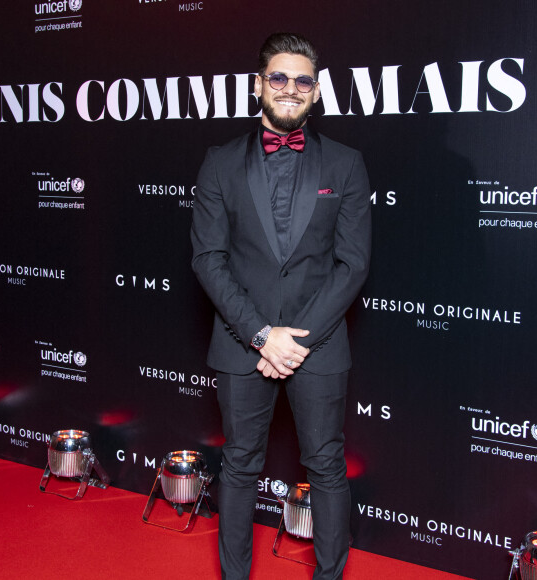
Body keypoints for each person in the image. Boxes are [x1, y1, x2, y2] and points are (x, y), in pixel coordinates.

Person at [191, 32, 371, 580]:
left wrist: (295, 339)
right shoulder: (219, 163)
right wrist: (261, 335)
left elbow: (353, 265)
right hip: (241, 342)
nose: (290, 88)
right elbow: (208, 260)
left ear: (315, 93)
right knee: (240, 466)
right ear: (258, 85)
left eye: (302, 81)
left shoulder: (346, 164)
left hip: (318, 346)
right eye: (278, 77)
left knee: (326, 468)